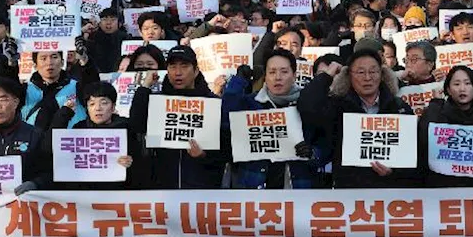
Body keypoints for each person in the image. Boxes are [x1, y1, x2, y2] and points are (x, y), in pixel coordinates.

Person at [298, 45, 418, 189]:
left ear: (382, 75)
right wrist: (327, 75)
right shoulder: (337, 107)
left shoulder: (399, 108)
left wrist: (393, 172)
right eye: (360, 72)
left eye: (373, 71)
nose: (367, 78)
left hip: (390, 193)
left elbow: (414, 156)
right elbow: (307, 105)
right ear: (349, 75)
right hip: (349, 192)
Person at [223, 49, 325, 189]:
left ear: (294, 75)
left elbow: (325, 143)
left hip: (298, 187)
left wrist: (312, 153)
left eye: (284, 72)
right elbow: (226, 120)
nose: (278, 77)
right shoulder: (250, 103)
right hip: (254, 187)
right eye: (272, 72)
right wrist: (238, 82)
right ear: (265, 76)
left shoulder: (308, 104)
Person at [141, 45, 227, 190]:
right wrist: (144, 87)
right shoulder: (158, 102)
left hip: (203, 189)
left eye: (184, 66)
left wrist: (204, 155)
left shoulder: (213, 103)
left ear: (196, 71)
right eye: (172, 67)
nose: (178, 73)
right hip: (164, 188)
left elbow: (226, 150)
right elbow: (137, 124)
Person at [417, 65, 473, 187]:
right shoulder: (439, 117)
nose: (462, 89)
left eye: (467, 83)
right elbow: (424, 139)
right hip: (444, 192)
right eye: (456, 84)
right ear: (448, 90)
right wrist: (435, 104)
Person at [52, 81, 140, 190]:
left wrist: (131, 163)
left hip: (118, 192)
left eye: (104, 103)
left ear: (113, 107)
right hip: (84, 194)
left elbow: (141, 166)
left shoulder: (126, 129)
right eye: (92, 104)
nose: (98, 108)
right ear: (87, 108)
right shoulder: (79, 129)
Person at [22, 51, 87, 128]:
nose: (49, 62)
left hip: (71, 138)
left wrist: (85, 63)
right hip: (33, 139)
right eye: (43, 58)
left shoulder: (77, 86)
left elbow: (94, 88)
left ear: (62, 62)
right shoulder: (25, 89)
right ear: (35, 65)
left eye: (54, 57)